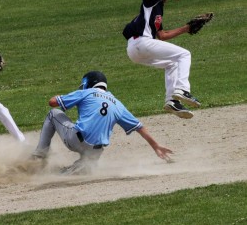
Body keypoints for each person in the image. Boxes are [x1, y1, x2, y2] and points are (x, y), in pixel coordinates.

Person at [32, 71, 173, 175]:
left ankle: (39, 156)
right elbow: (139, 127)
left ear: (88, 83)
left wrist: (61, 96)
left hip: (76, 140)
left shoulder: (86, 93)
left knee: (53, 114)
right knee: (84, 166)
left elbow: (52, 103)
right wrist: (156, 146)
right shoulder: (117, 104)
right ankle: (80, 167)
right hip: (95, 151)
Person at [123, 0, 201, 119]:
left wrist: (186, 28)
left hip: (135, 50)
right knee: (185, 55)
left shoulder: (158, 9)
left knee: (171, 64)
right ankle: (183, 89)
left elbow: (162, 35)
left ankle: (172, 101)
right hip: (142, 43)